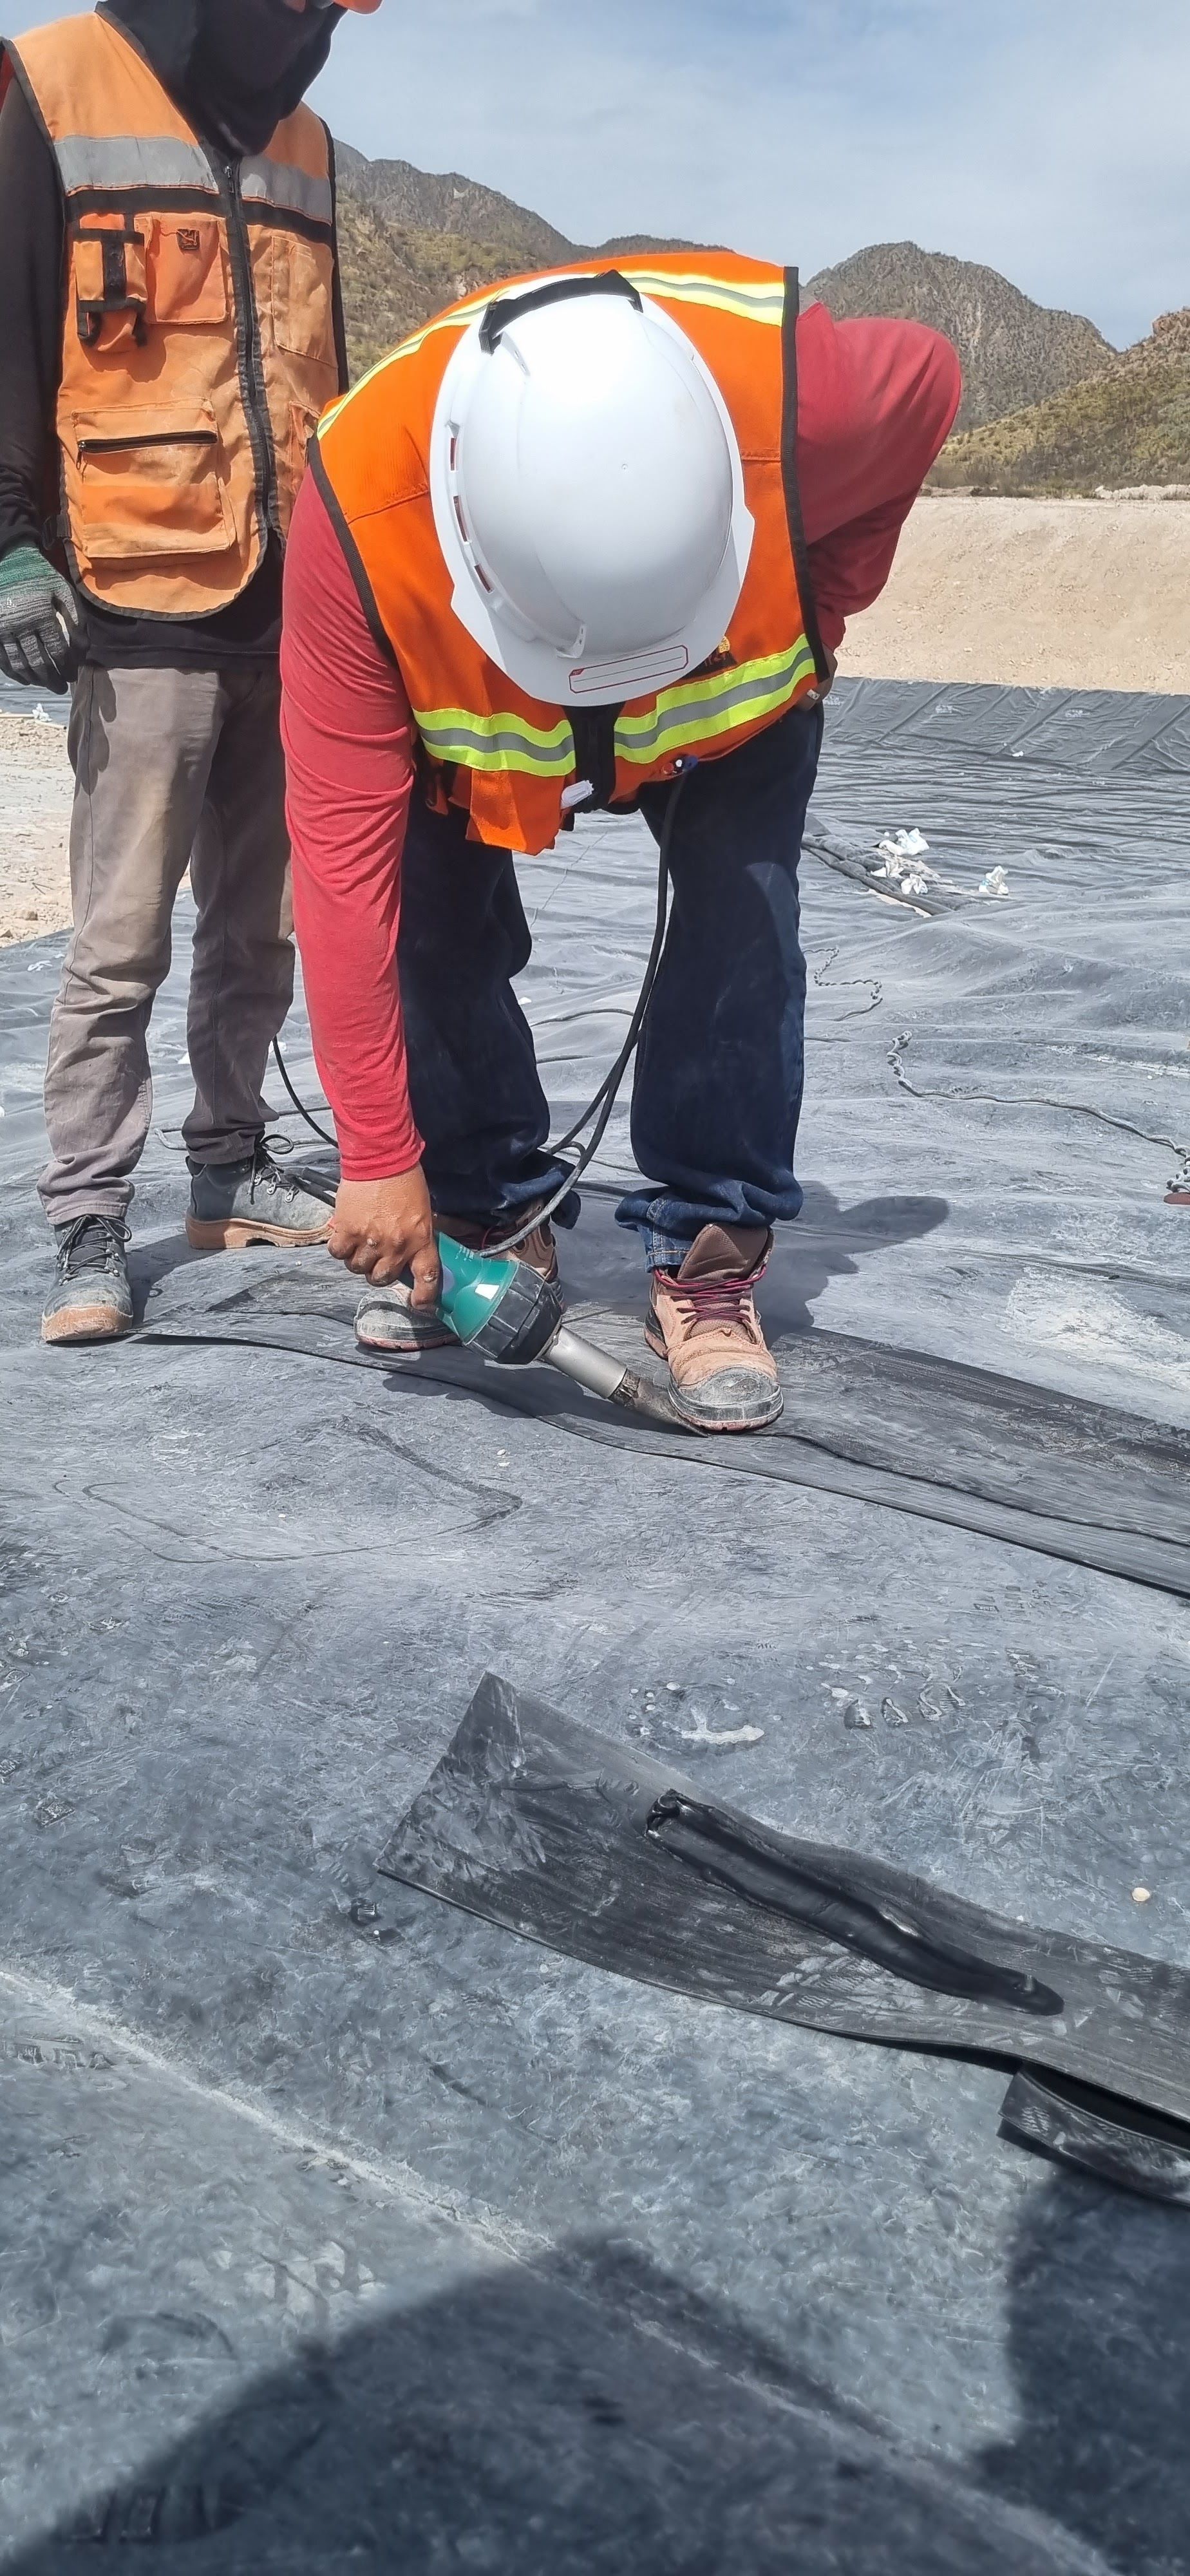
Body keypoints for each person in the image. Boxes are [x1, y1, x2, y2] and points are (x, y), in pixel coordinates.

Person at [281, 256, 961, 1433]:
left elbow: (934, 378)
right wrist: (379, 1155)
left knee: (741, 940)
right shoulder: (357, 525)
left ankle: (707, 1248)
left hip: (733, 713)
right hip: (471, 733)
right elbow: (345, 878)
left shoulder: (817, 402)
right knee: (434, 933)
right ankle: (490, 1211)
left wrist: (823, 611)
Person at [0, 0, 380, 1347]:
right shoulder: (52, 82)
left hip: (294, 599)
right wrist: (9, 542)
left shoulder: (306, 140)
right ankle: (89, 1213)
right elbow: (7, 321)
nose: (313, 20)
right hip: (136, 587)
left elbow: (323, 364)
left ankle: (230, 1163)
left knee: (259, 925)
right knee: (119, 940)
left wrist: (357, 566)